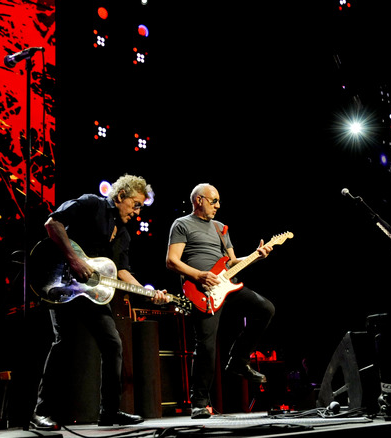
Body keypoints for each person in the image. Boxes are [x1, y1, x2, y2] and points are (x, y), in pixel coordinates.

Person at [30, 174, 171, 430]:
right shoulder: (91, 204)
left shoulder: (124, 235)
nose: (138, 212)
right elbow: (53, 223)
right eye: (136, 204)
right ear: (120, 196)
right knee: (64, 343)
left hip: (92, 296)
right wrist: (74, 260)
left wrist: (151, 293)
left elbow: (122, 273)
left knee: (113, 343)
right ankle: (41, 412)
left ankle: (109, 412)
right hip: (62, 285)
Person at [166, 183, 275, 419]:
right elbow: (172, 261)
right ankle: (199, 403)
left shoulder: (220, 228)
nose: (218, 205)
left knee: (265, 309)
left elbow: (233, 261)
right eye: (213, 201)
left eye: (218, 201)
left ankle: (238, 360)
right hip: (201, 288)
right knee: (206, 344)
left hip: (227, 283)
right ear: (198, 200)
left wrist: (257, 255)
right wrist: (198, 275)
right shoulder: (182, 224)